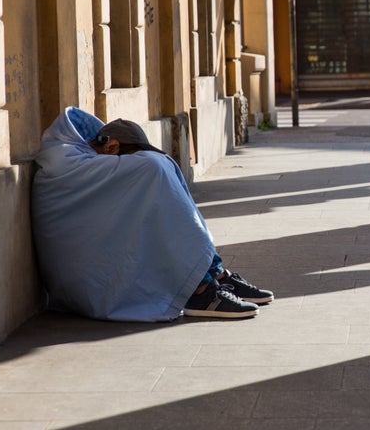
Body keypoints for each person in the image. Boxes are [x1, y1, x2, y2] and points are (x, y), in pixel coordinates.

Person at [32, 107, 272, 322]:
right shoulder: (65, 164)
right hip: (84, 284)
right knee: (153, 168)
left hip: (89, 267)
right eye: (129, 157)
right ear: (111, 147)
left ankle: (214, 275)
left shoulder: (85, 164)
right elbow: (148, 166)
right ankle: (200, 289)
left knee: (157, 174)